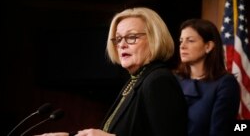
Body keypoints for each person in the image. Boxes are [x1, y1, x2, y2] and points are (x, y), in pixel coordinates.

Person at [36, 7, 187, 136]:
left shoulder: (158, 80)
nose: (122, 45)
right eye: (118, 39)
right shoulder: (135, 80)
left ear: (155, 39)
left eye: (131, 37)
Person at [175, 19, 240, 136]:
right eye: (181, 41)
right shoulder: (174, 79)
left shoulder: (225, 83)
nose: (182, 46)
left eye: (190, 40)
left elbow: (220, 131)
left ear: (208, 46)